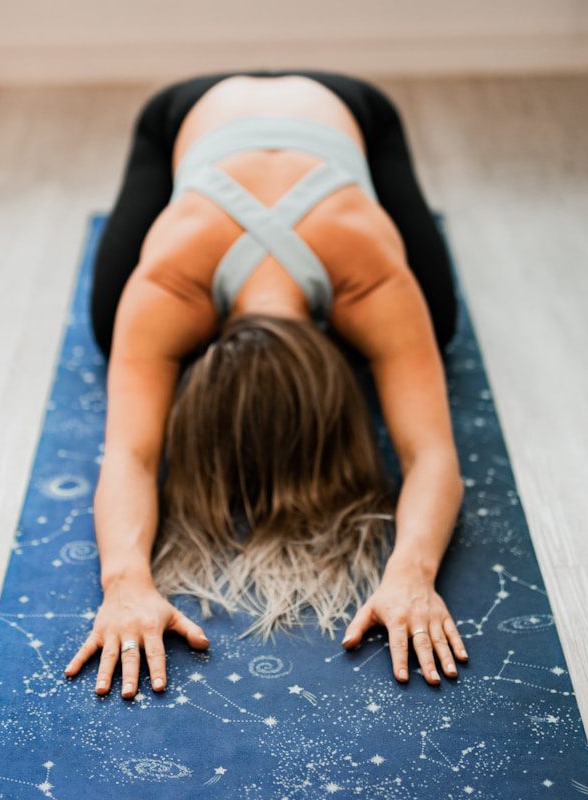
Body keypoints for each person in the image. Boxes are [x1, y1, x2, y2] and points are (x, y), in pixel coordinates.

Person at [64, 69, 469, 702]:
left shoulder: (371, 277)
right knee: (108, 326)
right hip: (192, 120)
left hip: (349, 111)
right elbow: (129, 457)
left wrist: (413, 574)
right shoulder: (169, 283)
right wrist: (124, 583)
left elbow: (434, 457)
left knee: (438, 324)